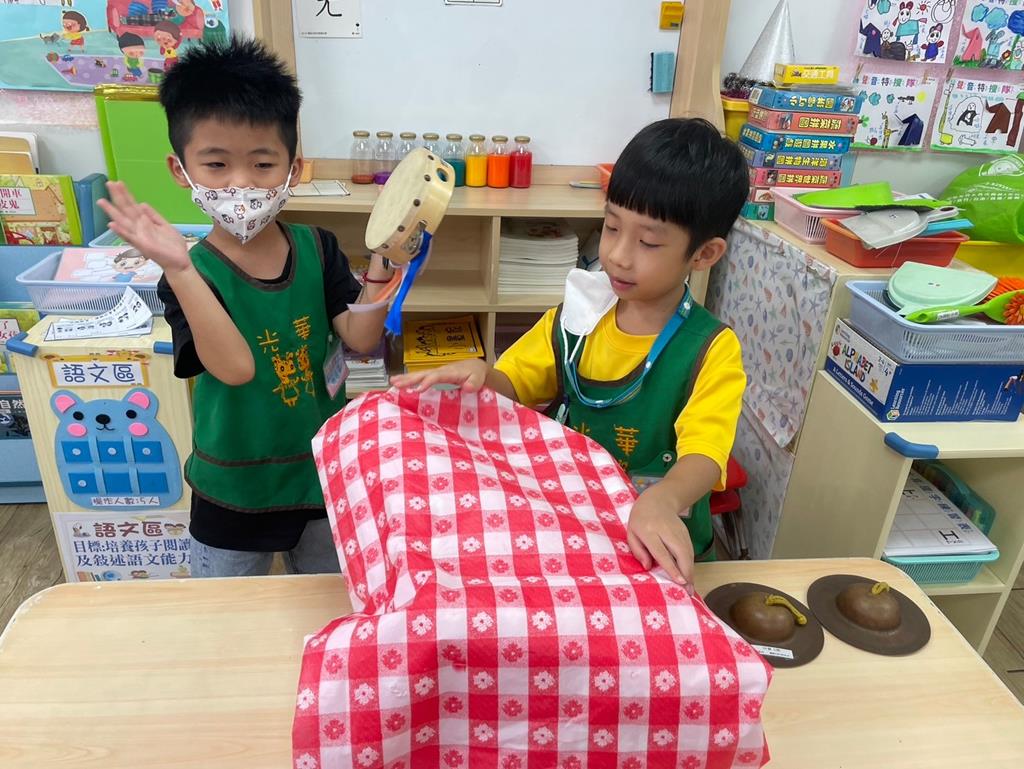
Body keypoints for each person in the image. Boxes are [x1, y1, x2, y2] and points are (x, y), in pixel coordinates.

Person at [392, 118, 749, 588]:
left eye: (648, 242)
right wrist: (482, 375)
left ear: (704, 255)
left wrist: (665, 499)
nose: (617, 255)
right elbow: (514, 382)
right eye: (612, 227)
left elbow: (705, 454)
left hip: (658, 547)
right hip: (578, 531)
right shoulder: (577, 317)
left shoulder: (710, 349)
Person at [98, 38, 395, 577]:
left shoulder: (317, 247)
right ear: (181, 170)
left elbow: (360, 338)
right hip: (233, 486)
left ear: (293, 168)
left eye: (263, 163)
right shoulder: (189, 273)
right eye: (216, 164)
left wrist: (384, 260)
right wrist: (180, 269)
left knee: (322, 603)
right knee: (225, 611)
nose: (241, 184)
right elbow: (235, 369)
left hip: (317, 471)